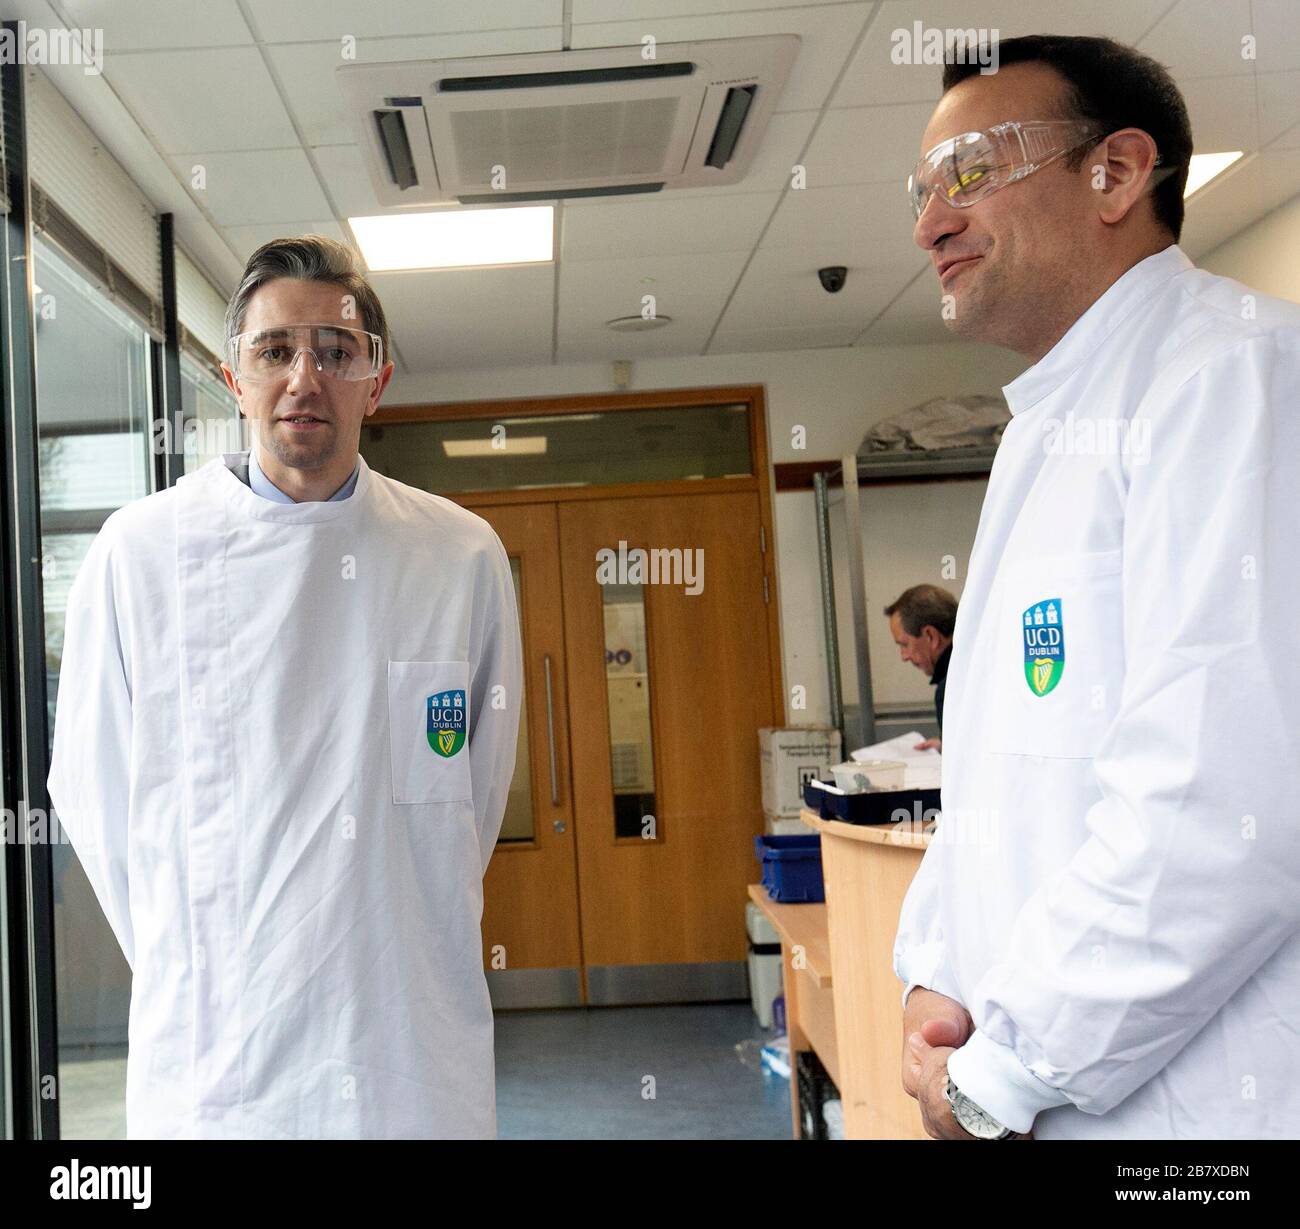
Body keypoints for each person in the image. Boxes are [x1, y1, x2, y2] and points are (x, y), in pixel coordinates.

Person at [893, 35, 1300, 1140]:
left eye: (969, 172)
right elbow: (1000, 783)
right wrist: (938, 975)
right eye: (922, 190)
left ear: (1116, 173)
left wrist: (1008, 1065)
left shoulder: (1236, 375)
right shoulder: (1044, 431)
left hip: (1200, 1117)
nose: (930, 221)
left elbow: (1226, 806)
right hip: (1056, 1088)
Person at [47, 235, 523, 1139]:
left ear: (375, 380)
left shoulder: (459, 555)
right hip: (217, 1052)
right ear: (235, 378)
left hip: (406, 1037)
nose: (304, 378)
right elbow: (90, 790)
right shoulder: (142, 553)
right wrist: (194, 948)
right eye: (275, 351)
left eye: (336, 351)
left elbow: (474, 792)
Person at [884, 584, 957, 750]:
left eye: (904, 644)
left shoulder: (951, 688)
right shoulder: (979, 666)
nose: (904, 656)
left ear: (931, 636)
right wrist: (944, 744)